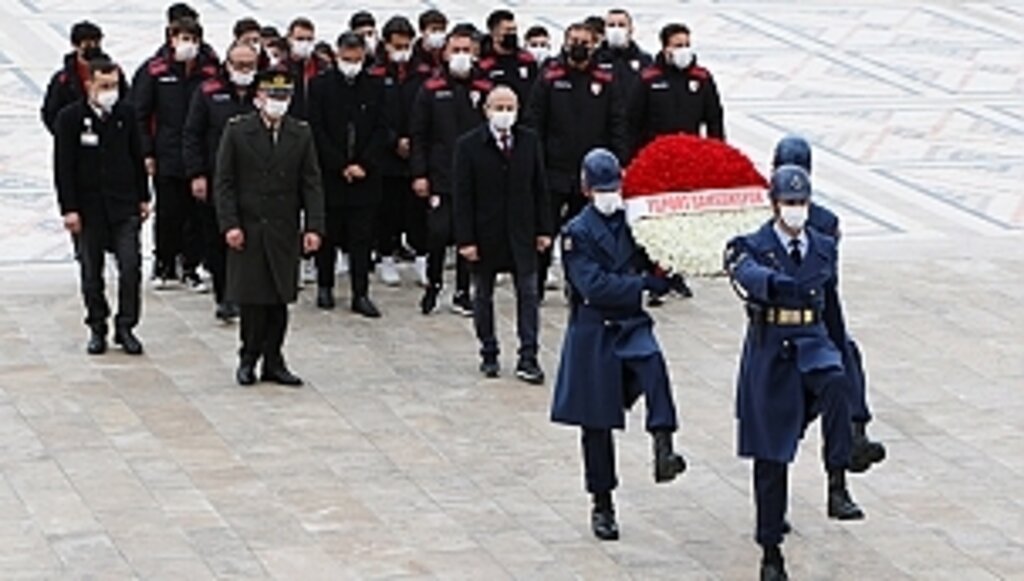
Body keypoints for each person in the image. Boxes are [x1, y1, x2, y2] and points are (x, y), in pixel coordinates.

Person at [724, 165, 866, 581]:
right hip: (772, 349)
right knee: (771, 455)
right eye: (789, 203)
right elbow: (745, 274)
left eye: (802, 202)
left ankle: (837, 477)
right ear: (774, 204)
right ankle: (770, 550)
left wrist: (847, 358)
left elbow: (832, 307)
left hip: (812, 339)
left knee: (837, 380)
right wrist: (773, 282)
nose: (796, 210)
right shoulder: (752, 244)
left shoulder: (823, 246)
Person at [551, 148, 687, 541]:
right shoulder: (577, 232)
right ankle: (602, 503)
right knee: (596, 424)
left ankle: (664, 443)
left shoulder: (635, 222)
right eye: (602, 188)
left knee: (654, 367)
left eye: (614, 187)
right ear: (586, 189)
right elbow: (593, 286)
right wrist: (643, 284)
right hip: (595, 330)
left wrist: (668, 267)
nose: (609, 195)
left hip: (630, 323)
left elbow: (654, 260)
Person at [772, 136, 886, 473]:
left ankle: (856, 433)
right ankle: (852, 433)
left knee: (847, 354)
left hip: (820, 307)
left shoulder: (824, 221)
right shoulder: (771, 224)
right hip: (784, 322)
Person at [214, 70, 325, 387]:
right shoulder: (238, 131)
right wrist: (230, 224)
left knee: (279, 299)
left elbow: (311, 184)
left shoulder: (300, 133)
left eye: (284, 97)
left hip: (283, 227)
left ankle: (274, 360)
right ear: (258, 98)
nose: (278, 103)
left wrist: (314, 226)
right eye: (272, 97)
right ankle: (248, 358)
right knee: (252, 300)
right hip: (249, 227)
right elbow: (225, 183)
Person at [453, 86, 552, 383]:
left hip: (522, 232)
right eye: (499, 107)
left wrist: (544, 229)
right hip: (486, 233)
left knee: (529, 294)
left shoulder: (529, 141)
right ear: (486, 110)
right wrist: (465, 239)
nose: (505, 113)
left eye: (510, 107)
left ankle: (529, 355)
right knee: (483, 294)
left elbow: (539, 187)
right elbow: (462, 196)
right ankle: (489, 351)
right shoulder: (468, 146)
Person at [54, 56, 150, 355]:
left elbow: (137, 156)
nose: (110, 91)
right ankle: (97, 325)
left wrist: (143, 197)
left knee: (131, 266)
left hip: (123, 205)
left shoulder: (126, 113)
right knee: (91, 270)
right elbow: (63, 167)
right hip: (89, 208)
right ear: (89, 85)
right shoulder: (70, 118)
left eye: (115, 85)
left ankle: (126, 326)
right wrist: (69, 208)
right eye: (104, 85)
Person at [527, 22, 628, 301]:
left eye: (585, 42)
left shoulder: (605, 80)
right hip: (553, 170)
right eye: (574, 41)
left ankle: (578, 285)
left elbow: (617, 123)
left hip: (590, 175)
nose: (579, 46)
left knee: (583, 235)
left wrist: (618, 163)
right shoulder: (550, 77)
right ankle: (534, 288)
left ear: (595, 44)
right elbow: (534, 123)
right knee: (544, 230)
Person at [410, 26, 493, 316]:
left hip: (477, 177)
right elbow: (419, 134)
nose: (460, 56)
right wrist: (420, 173)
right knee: (438, 232)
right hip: (441, 174)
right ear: (445, 53)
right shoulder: (431, 89)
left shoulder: (484, 90)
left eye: (466, 50)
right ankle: (433, 284)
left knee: (468, 235)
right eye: (455, 50)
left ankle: (462, 291)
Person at [133, 16, 218, 291]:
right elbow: (140, 114)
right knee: (169, 211)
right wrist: (147, 151)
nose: (187, 45)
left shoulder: (209, 72)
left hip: (199, 153)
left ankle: (191, 265)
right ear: (171, 39)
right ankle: (164, 263)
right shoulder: (156, 71)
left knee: (197, 212)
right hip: (166, 151)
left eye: (192, 39)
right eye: (182, 38)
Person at [308, 32, 388, 318]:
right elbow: (315, 128)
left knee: (361, 237)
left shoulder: (376, 86)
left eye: (357, 59)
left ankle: (360, 292)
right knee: (327, 233)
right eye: (346, 59)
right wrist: (339, 163)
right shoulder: (319, 86)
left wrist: (363, 163)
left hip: (365, 175)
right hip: (331, 174)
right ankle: (325, 286)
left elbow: (383, 128)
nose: (352, 64)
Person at [183, 41, 259, 322]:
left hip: (255, 178)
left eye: (249, 66)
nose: (244, 71)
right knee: (218, 240)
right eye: (239, 66)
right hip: (218, 177)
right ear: (227, 64)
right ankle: (224, 295)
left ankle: (246, 292)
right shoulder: (208, 92)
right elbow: (192, 134)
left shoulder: (264, 92)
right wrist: (197, 174)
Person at [371, 16, 429, 288]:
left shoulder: (423, 73)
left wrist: (414, 141)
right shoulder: (376, 74)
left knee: (417, 209)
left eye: (407, 44)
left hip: (417, 151)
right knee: (387, 209)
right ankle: (385, 256)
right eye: (398, 45)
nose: (402, 50)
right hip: (386, 154)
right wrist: (394, 140)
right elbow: (374, 116)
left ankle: (421, 257)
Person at [628, 23, 724, 160]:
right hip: (657, 154)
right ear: (666, 48)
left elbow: (714, 119)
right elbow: (634, 121)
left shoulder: (702, 78)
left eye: (687, 45)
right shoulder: (648, 79)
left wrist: (717, 153)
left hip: (691, 153)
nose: (684, 50)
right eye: (678, 46)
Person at [42, 21, 128, 135]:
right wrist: (65, 136)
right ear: (75, 45)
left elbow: (127, 101)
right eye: (87, 43)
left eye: (96, 42)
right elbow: (50, 113)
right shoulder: (63, 80)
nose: (93, 46)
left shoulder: (114, 72)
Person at [477, 10, 537, 103]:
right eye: (508, 30)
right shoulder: (483, 63)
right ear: (494, 33)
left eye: (514, 30)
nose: (512, 34)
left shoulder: (527, 59)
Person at [594, 9, 652, 93]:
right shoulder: (594, 59)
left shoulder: (645, 60)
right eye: (611, 25)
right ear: (604, 30)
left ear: (631, 29)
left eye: (621, 25)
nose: (616, 29)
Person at [285, 17, 320, 120]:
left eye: (309, 39)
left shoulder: (323, 66)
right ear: (289, 39)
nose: (305, 44)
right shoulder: (282, 68)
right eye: (300, 39)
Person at [410, 9, 448, 74]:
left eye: (441, 29)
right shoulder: (412, 54)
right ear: (422, 31)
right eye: (434, 29)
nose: (438, 33)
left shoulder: (448, 52)